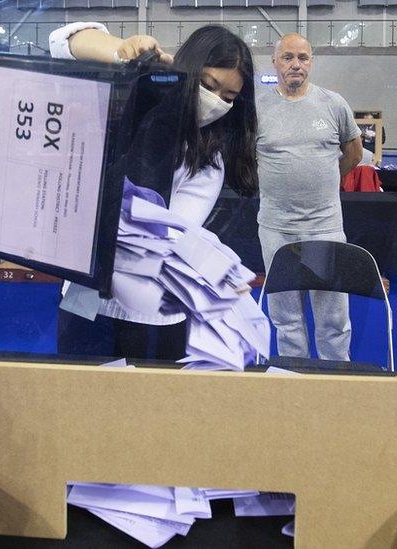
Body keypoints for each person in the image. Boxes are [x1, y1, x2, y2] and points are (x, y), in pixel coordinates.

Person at [49, 22, 258, 360]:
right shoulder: (137, 94)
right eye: (207, 84)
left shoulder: (209, 157)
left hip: (152, 311)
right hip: (85, 295)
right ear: (188, 71)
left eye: (228, 97)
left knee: (151, 406)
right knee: (78, 399)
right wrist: (122, 50)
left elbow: (164, 234)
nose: (215, 101)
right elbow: (61, 41)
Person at [256, 33, 362, 361]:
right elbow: (246, 158)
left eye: (303, 57)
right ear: (275, 62)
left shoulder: (333, 104)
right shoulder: (256, 107)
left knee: (332, 317)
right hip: (276, 228)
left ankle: (336, 378)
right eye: (288, 57)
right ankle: (294, 378)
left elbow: (353, 155)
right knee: (286, 318)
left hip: (324, 228)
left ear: (311, 63)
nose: (296, 65)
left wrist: (322, 183)